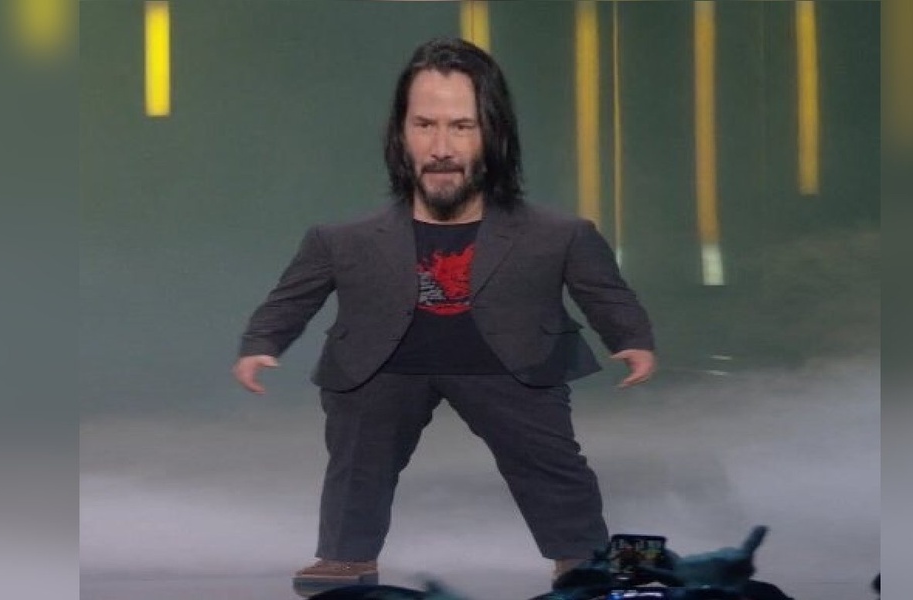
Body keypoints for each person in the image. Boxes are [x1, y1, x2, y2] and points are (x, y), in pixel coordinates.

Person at [232, 37, 657, 592]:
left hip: (514, 362)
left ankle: (593, 563)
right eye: (424, 125)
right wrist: (261, 344)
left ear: (494, 134)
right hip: (378, 365)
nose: (440, 147)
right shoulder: (340, 240)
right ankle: (344, 557)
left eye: (461, 126)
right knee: (357, 463)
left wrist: (632, 338)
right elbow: (290, 299)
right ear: (399, 134)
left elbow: (606, 292)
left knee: (552, 465)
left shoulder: (559, 234)